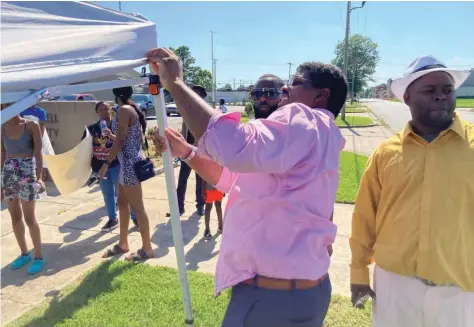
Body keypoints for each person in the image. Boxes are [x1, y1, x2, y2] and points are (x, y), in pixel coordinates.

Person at [149, 48, 347, 327]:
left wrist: (176, 84)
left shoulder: (305, 118)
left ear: (321, 95)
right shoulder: (322, 135)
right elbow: (234, 180)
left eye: (297, 82)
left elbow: (232, 146)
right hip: (299, 292)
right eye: (258, 93)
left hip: (271, 298)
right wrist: (188, 153)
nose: (286, 88)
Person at [349, 55, 474, 327]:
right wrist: (358, 272)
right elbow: (364, 217)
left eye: (447, 90)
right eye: (429, 91)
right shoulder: (386, 153)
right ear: (406, 98)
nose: (441, 97)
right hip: (394, 285)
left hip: (459, 288)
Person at [99, 87, 154, 261]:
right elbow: (126, 139)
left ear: (116, 95)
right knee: (123, 204)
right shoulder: (131, 108)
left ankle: (147, 248)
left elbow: (122, 141)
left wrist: (106, 164)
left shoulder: (123, 110)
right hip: (126, 162)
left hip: (129, 164)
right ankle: (123, 244)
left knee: (138, 207)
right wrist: (112, 136)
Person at [1, 103, 46, 275]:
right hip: (9, 171)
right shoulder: (2, 127)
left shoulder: (31, 125)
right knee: (14, 216)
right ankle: (24, 253)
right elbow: (2, 155)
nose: (7, 108)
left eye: (10, 105)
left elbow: (38, 154)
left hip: (27, 171)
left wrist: (40, 178)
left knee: (30, 217)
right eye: (4, 105)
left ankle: (39, 256)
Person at [82, 101, 138, 230]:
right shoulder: (91, 129)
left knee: (123, 194)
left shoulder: (118, 126)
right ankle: (112, 219)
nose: (104, 112)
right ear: (97, 112)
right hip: (100, 166)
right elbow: (84, 147)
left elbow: (124, 143)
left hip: (117, 164)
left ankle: (135, 218)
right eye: (101, 110)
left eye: (106, 109)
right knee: (107, 194)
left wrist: (111, 135)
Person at [166, 85, 207, 217]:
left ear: (201, 96)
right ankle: (179, 207)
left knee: (200, 180)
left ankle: (200, 205)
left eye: (197, 93)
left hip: (200, 150)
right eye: (192, 93)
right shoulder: (186, 110)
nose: (193, 95)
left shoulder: (204, 111)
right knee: (182, 178)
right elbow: (184, 130)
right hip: (186, 149)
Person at [20, 105, 54, 183]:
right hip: (27, 136)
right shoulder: (22, 110)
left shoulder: (40, 111)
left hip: (40, 136)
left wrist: (38, 139)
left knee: (43, 158)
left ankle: (41, 180)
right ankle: (28, 180)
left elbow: (42, 126)